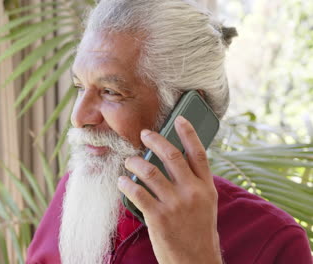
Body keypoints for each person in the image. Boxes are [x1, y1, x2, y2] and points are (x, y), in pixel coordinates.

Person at [26, 0, 312, 263]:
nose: (78, 117)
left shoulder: (274, 241)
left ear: (184, 113)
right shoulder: (76, 192)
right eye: (80, 87)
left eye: (111, 92)